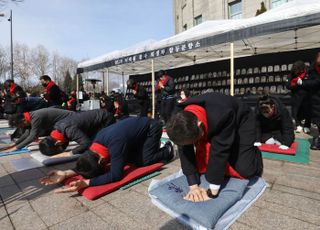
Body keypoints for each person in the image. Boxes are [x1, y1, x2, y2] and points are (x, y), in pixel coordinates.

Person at [166, 92, 263, 202]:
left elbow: (219, 151)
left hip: (241, 120)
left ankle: (254, 153)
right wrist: (193, 186)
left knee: (246, 170)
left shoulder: (222, 114)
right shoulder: (177, 118)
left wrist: (212, 192)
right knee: (204, 163)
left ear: (200, 125)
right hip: (212, 120)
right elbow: (184, 150)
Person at [40, 117, 175, 192]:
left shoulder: (115, 144)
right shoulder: (95, 146)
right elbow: (87, 162)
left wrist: (87, 183)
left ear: (101, 161)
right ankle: (151, 148)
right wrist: (66, 173)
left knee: (144, 161)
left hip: (151, 129)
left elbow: (116, 175)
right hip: (134, 134)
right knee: (128, 159)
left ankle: (167, 150)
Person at [39, 109, 115, 157]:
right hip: (97, 119)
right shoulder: (58, 127)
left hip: (105, 119)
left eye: (59, 150)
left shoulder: (69, 130)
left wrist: (70, 153)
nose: (62, 150)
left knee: (97, 144)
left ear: (57, 143)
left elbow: (86, 143)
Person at [3, 108, 74, 152]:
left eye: (20, 126)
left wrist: (15, 148)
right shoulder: (28, 117)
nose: (21, 128)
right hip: (61, 122)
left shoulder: (36, 118)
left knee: (57, 138)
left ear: (23, 120)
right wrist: (15, 143)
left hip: (70, 118)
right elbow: (27, 133)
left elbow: (32, 136)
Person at [297, 52, 320, 149]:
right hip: (315, 98)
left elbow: (316, 81)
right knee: (318, 119)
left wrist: (303, 83)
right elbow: (311, 81)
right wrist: (303, 83)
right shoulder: (312, 69)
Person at [286, 61, 311, 133]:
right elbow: (288, 85)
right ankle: (298, 125)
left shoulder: (308, 73)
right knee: (295, 112)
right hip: (296, 96)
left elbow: (312, 83)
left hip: (307, 96)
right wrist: (295, 84)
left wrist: (303, 83)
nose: (295, 72)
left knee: (308, 111)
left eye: (297, 70)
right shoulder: (291, 75)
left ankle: (307, 126)